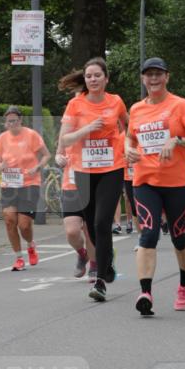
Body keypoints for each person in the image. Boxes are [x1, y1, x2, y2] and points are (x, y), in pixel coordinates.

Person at [126, 58, 185, 316]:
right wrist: (128, 150)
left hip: (178, 183)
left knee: (178, 236)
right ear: (143, 79)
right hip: (145, 181)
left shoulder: (180, 105)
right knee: (148, 234)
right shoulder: (136, 109)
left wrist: (178, 141)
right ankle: (145, 292)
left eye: (158, 74)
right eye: (149, 75)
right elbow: (129, 137)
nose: (153, 79)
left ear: (167, 77)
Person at [57, 57, 128, 302]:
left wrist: (127, 146)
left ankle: (100, 278)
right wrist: (87, 129)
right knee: (90, 223)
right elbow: (65, 140)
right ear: (85, 80)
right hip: (84, 171)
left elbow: (128, 128)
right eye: (89, 76)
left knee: (100, 223)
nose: (93, 79)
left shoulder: (116, 101)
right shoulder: (75, 105)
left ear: (106, 78)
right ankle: (106, 263)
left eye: (98, 75)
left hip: (111, 168)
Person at [0, 106, 50, 271]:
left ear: (20, 121)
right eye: (8, 121)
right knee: (10, 220)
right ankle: (18, 257)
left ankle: (31, 245)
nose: (11, 124)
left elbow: (46, 155)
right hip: (9, 183)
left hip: (29, 183)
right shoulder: (2, 138)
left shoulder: (31, 135)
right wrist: (0, 165)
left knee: (24, 225)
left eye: (14, 121)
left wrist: (38, 167)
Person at [54, 145, 97, 279]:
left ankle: (94, 265)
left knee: (89, 231)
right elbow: (59, 153)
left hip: (92, 188)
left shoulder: (96, 133)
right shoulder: (69, 134)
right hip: (71, 189)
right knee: (71, 232)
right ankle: (82, 254)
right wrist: (59, 158)